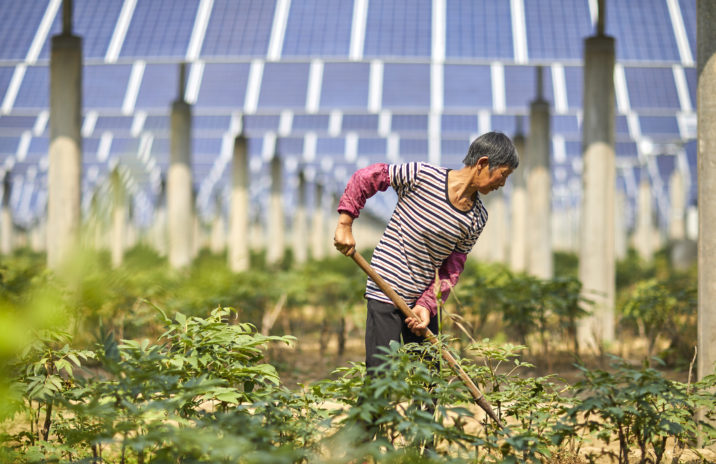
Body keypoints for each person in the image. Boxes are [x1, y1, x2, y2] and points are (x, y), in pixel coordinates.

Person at [333, 132, 518, 373]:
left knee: (429, 383)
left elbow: (451, 269)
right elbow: (366, 177)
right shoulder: (422, 175)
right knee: (381, 375)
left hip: (421, 302)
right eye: (503, 175)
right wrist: (345, 223)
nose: (502, 184)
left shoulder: (477, 217)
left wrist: (427, 305)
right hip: (385, 287)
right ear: (482, 164)